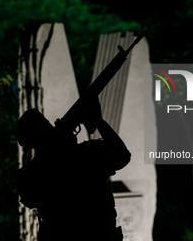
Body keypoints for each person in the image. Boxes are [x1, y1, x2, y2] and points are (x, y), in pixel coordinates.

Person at [16, 97, 131, 240]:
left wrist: (97, 121)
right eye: (46, 129)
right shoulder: (32, 174)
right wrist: (67, 146)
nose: (52, 129)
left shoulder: (84, 153)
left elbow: (122, 156)